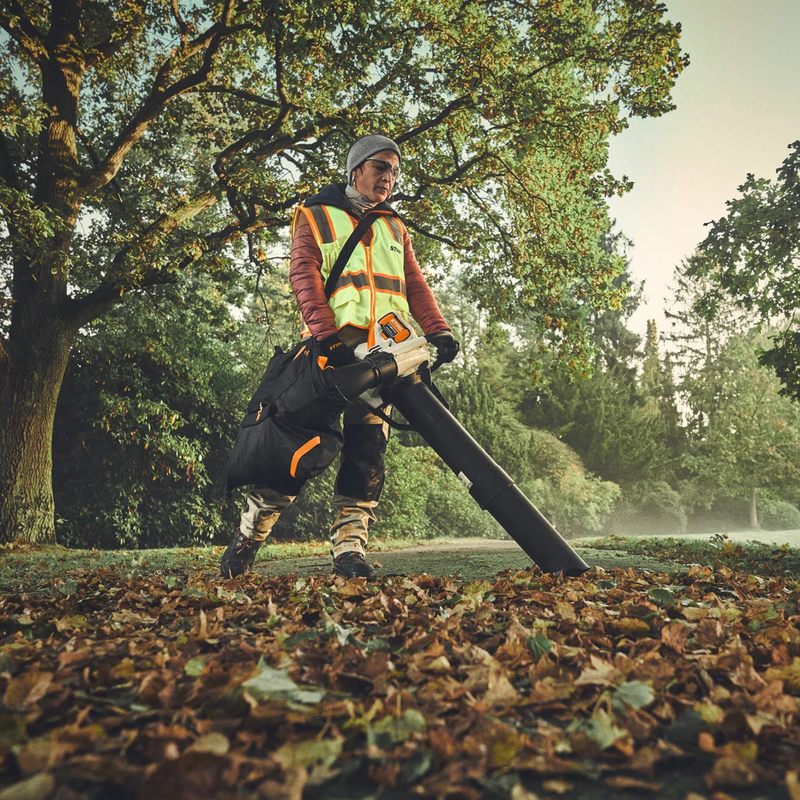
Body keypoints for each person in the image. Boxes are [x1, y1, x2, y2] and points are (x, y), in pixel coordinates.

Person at [221, 134, 459, 580]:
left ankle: (349, 552)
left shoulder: (394, 225)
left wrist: (439, 329)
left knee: (368, 454)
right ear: (356, 171)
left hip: (386, 355)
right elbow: (303, 274)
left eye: (394, 170)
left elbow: (414, 284)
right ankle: (245, 542)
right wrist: (326, 337)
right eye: (380, 168)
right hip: (330, 357)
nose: (388, 177)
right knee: (296, 454)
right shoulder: (314, 214)